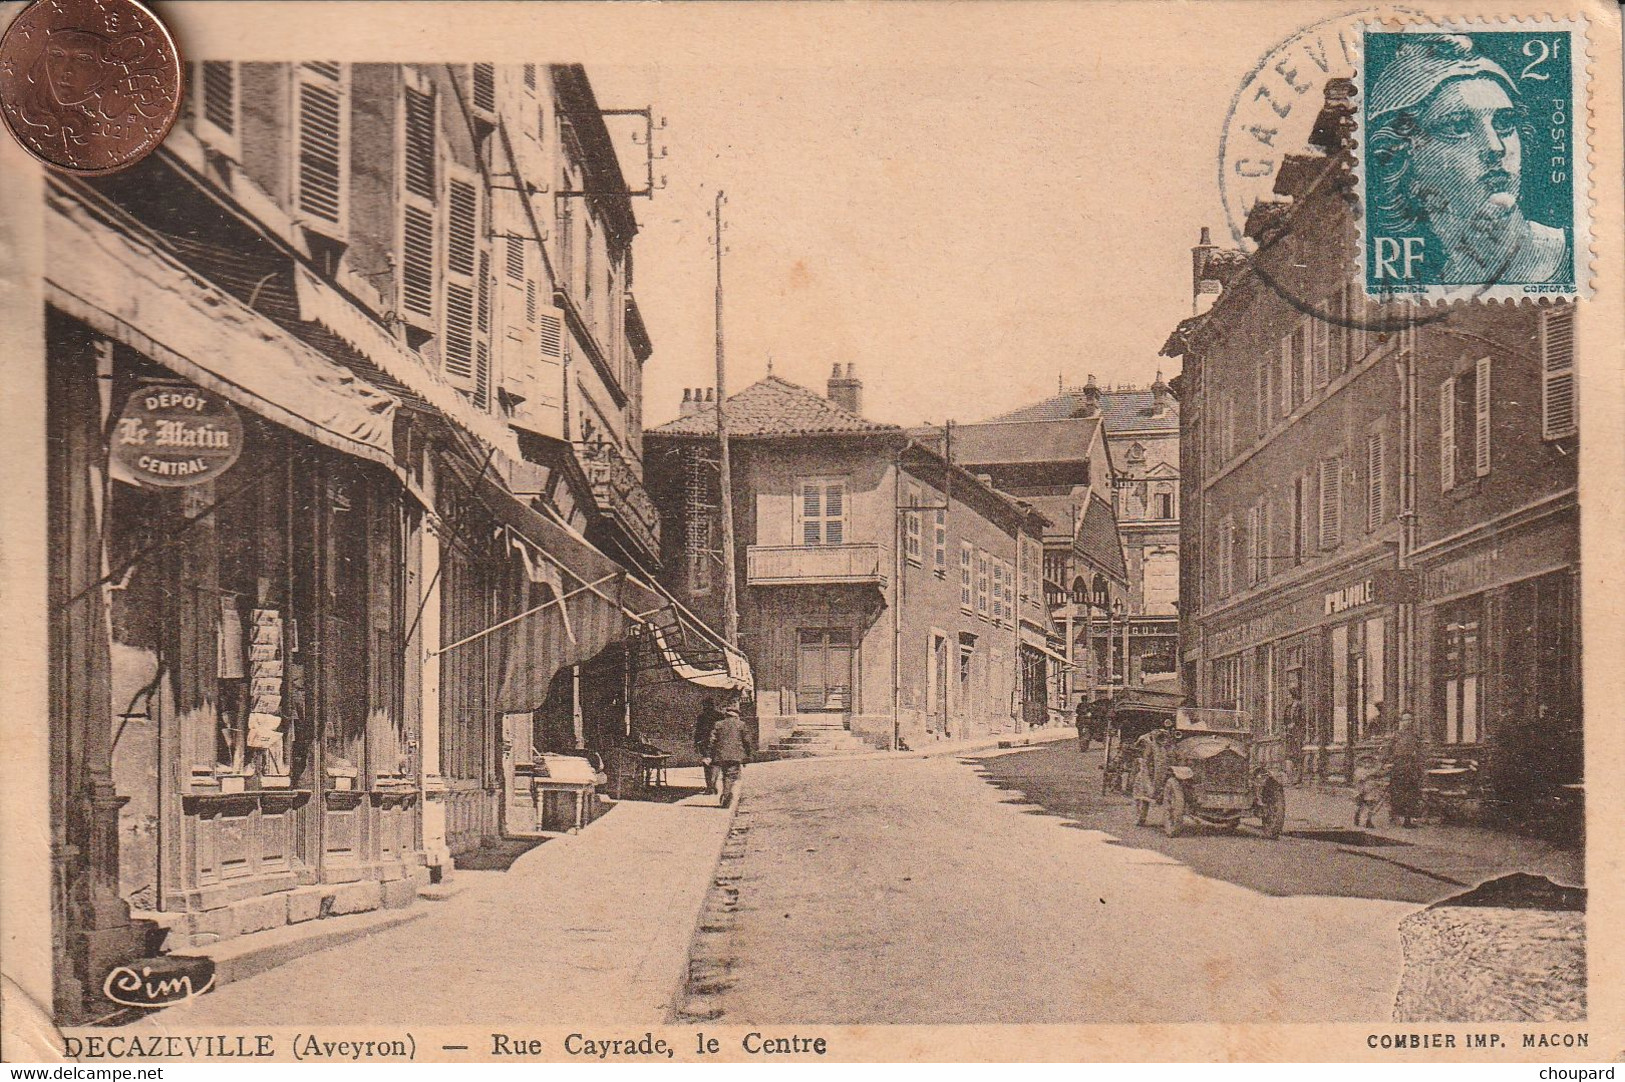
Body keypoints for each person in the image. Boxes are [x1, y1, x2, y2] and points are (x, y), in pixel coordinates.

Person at [1368, 34, 1569, 285]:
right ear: (1400, 155)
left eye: (1505, 124)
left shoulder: (1567, 256)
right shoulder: (1433, 274)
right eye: (1457, 126)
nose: (1495, 147)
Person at [707, 702, 754, 809]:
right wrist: (748, 755)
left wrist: (710, 754)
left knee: (725, 774)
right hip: (735, 755)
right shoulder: (741, 724)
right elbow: (747, 741)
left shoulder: (718, 724)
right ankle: (727, 796)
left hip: (720, 755)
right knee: (730, 775)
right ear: (736, 715)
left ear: (726, 715)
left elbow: (712, 741)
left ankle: (725, 792)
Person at [1387, 712, 1426, 828]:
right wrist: (1385, 762)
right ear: (1401, 722)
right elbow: (1388, 750)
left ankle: (1408, 820)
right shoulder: (1396, 736)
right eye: (1405, 720)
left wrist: (1420, 765)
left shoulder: (1415, 736)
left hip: (1411, 767)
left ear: (1412, 722)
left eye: (1409, 720)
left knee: (1411, 793)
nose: (1407, 722)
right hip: (1398, 766)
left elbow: (1420, 752)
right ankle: (1395, 816)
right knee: (1397, 792)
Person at [693, 697, 724, 794]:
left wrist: (696, 743)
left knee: (707, 765)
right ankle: (712, 785)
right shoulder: (720, 715)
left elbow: (698, 731)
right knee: (715, 764)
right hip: (715, 743)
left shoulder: (702, 717)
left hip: (705, 743)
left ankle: (710, 786)